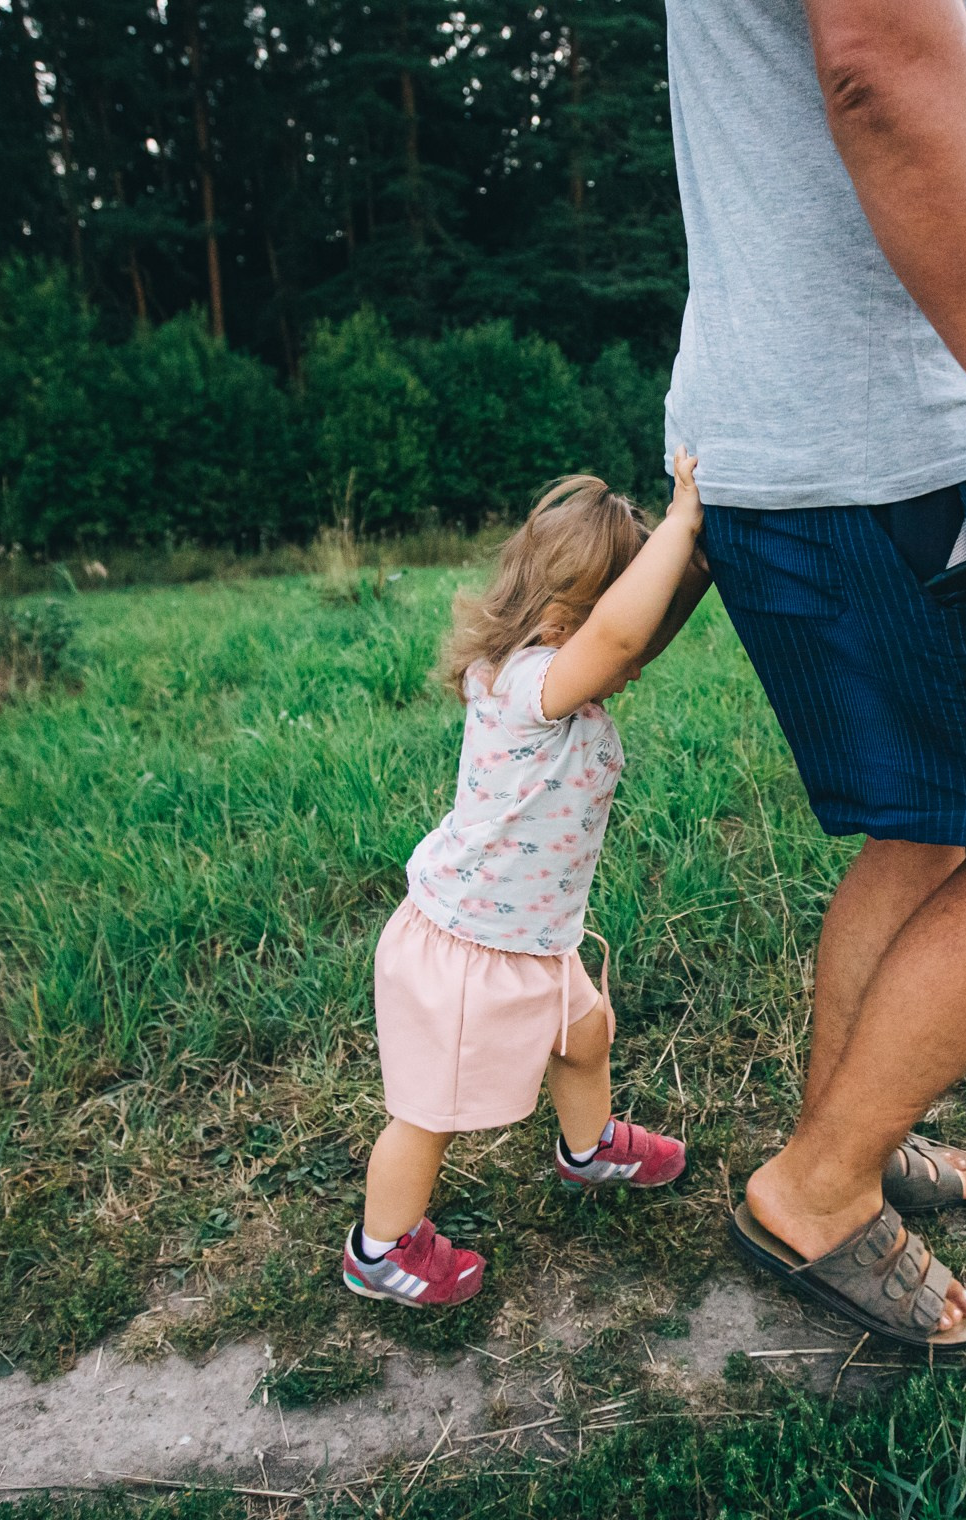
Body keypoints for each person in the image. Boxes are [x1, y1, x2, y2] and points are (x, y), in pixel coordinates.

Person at [662, 0, 966, 1348]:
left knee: (927, 826)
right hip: (897, 455)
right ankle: (815, 1192)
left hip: (836, 447)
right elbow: (878, 63)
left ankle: (848, 1136)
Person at [343, 462, 712, 1307]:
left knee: (586, 1033)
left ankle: (588, 1151)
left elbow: (630, 635)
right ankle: (381, 1247)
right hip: (471, 948)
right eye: (620, 620)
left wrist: (700, 559)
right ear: (566, 618)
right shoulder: (528, 687)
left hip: (530, 937)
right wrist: (682, 519)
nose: (638, 653)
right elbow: (620, 640)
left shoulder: (543, 666)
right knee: (426, 1116)